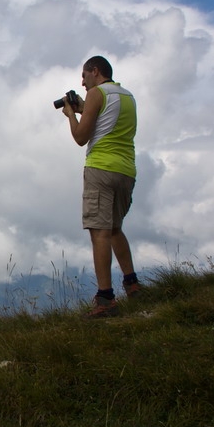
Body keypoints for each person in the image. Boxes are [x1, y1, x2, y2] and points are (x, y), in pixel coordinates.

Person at [60, 55, 142, 318]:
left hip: (101, 168)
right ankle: (133, 283)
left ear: (95, 72)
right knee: (115, 228)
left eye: (84, 76)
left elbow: (81, 137)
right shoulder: (126, 96)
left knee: (100, 232)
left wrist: (71, 114)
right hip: (126, 170)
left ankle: (105, 299)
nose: (82, 83)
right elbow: (108, 121)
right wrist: (85, 108)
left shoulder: (97, 93)